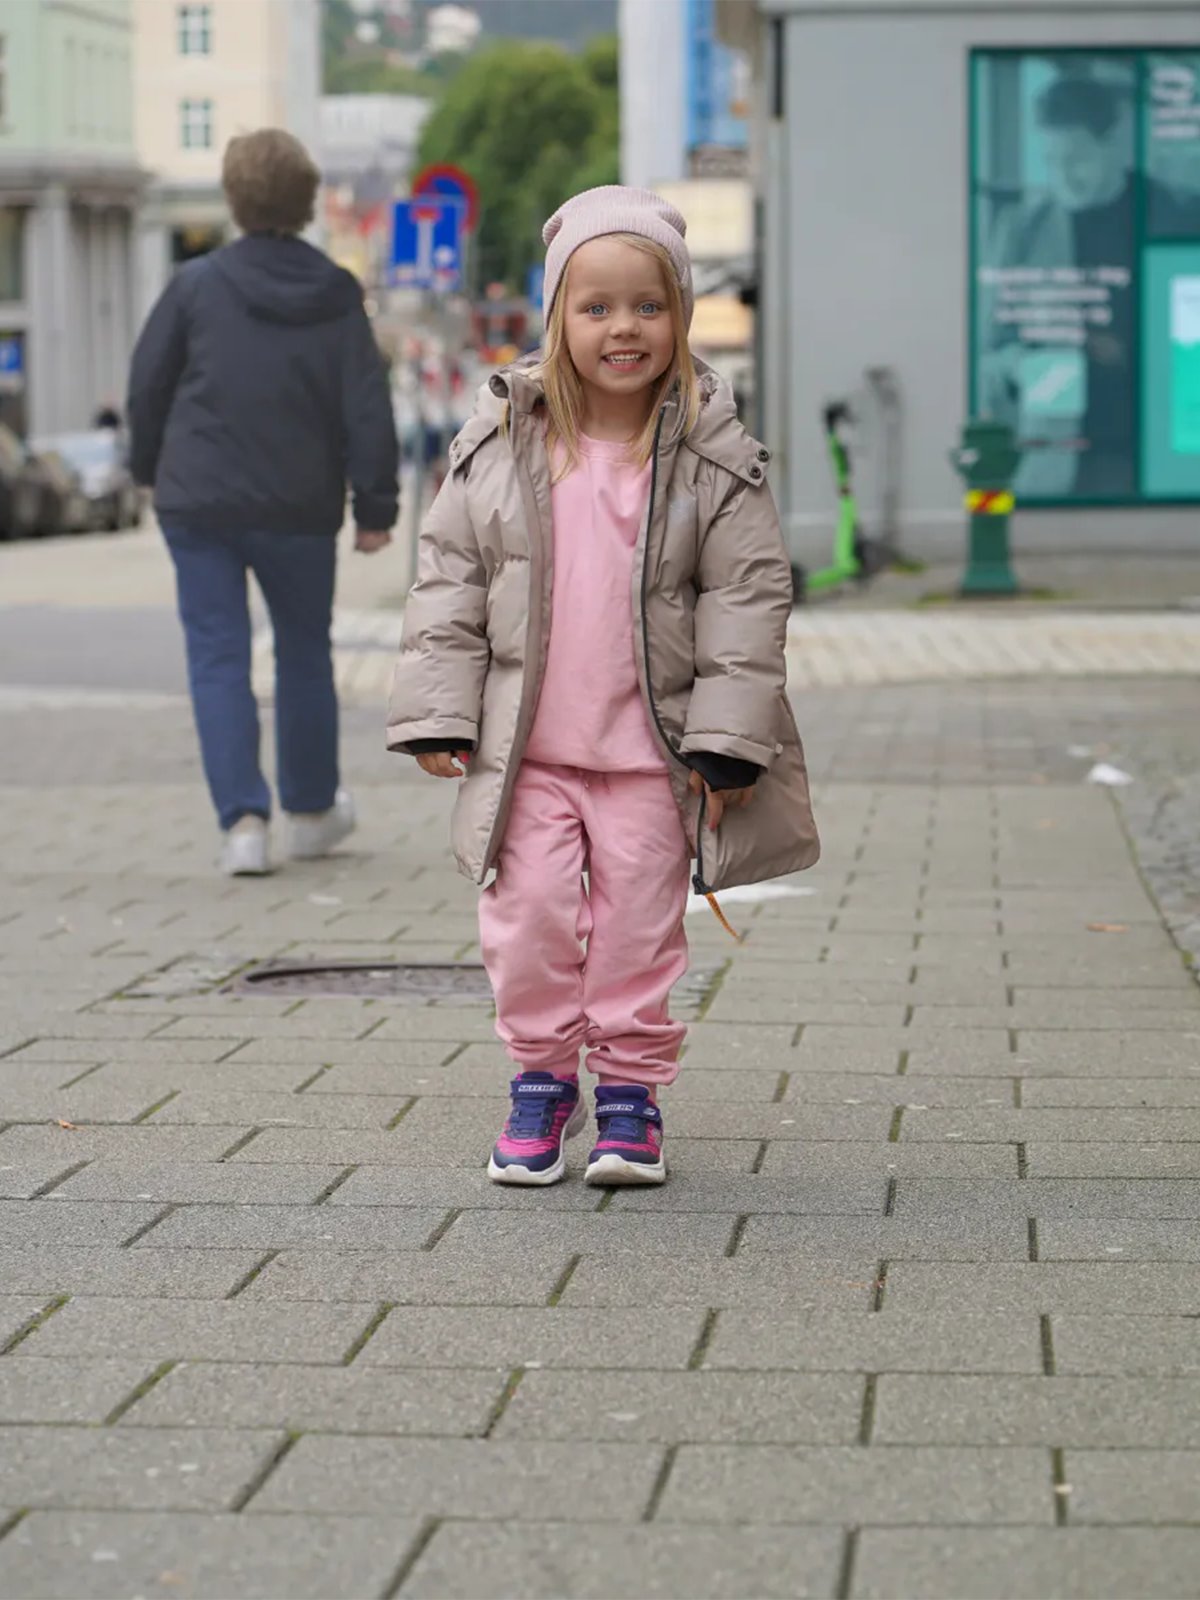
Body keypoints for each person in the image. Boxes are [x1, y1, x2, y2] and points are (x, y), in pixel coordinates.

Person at [387, 187, 819, 1187]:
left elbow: (748, 601)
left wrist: (730, 739)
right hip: (528, 751)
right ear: (558, 320)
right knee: (529, 915)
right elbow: (448, 578)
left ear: (681, 317)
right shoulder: (500, 446)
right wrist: (437, 713)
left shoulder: (718, 459)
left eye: (647, 306)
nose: (623, 327)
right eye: (596, 307)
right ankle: (541, 1078)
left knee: (636, 928)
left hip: (650, 756)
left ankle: (628, 1092)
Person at [128, 128, 399, 876]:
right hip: (299, 506)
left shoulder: (193, 287)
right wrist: (375, 506)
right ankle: (311, 814)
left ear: (232, 199)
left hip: (201, 502)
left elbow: (148, 387)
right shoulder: (337, 293)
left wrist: (145, 469)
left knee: (217, 657)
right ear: (309, 204)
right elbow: (365, 406)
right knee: (305, 655)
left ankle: (243, 825)